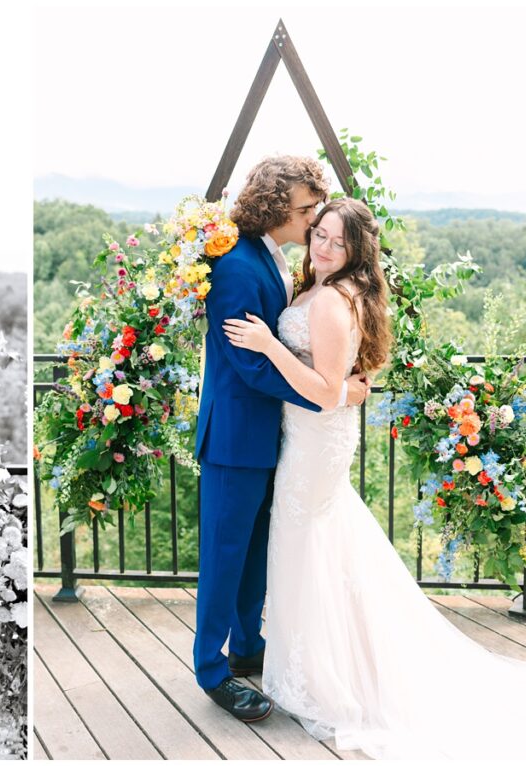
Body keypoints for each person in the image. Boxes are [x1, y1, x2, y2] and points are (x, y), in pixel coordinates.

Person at [223, 197, 526, 759]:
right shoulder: (323, 290)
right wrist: (344, 385)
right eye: (318, 233)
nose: (322, 246)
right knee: (320, 548)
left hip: (315, 441)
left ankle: (326, 679)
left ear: (355, 250)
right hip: (307, 439)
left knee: (306, 546)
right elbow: (342, 382)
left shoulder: (332, 302)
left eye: (336, 242)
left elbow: (322, 393)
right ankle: (325, 664)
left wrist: (270, 345)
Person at [192, 156, 370, 722]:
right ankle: (212, 672)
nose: (314, 219)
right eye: (305, 210)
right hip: (235, 440)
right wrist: (329, 395)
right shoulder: (237, 266)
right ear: (274, 208)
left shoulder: (273, 259)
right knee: (224, 558)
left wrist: (332, 387)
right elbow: (248, 364)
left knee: (254, 559)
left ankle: (247, 648)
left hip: (278, 439)